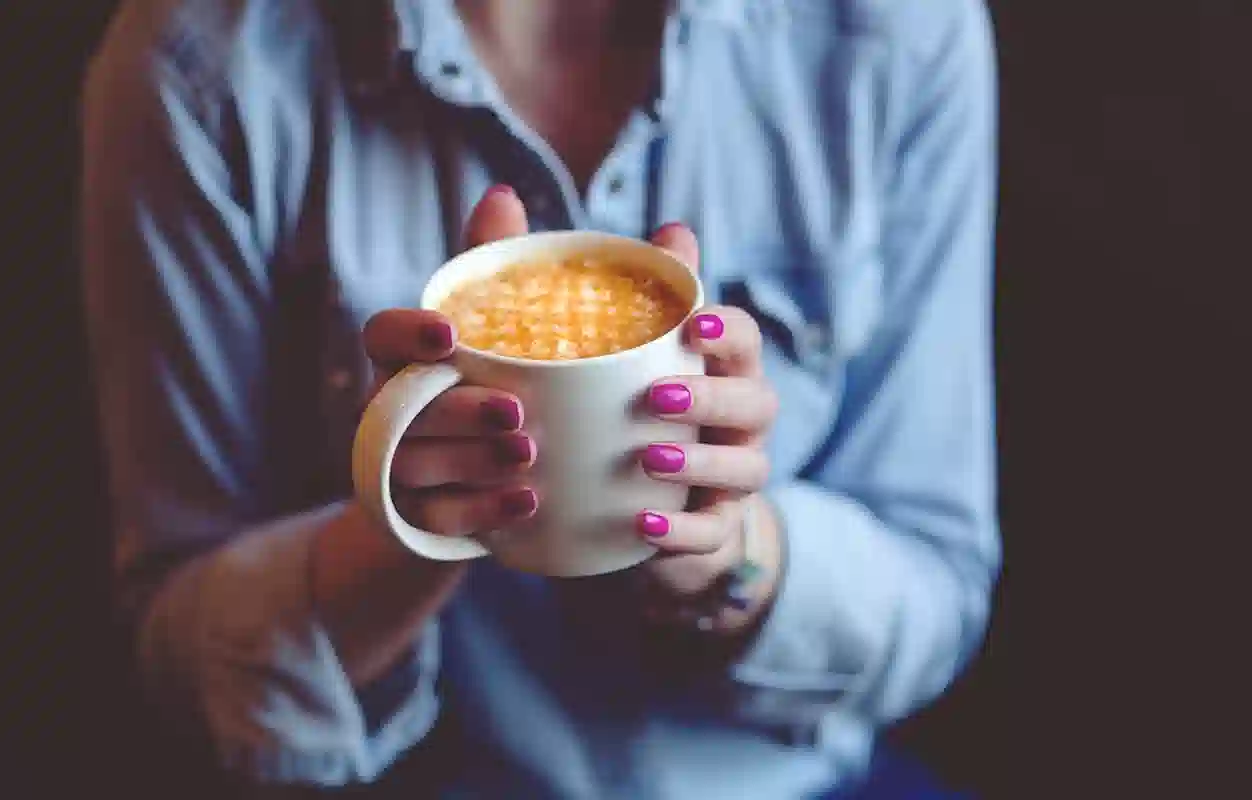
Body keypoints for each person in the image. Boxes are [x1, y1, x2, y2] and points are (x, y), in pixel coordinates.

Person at [80, 0, 999, 796]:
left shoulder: (895, 35)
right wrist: (407, 534)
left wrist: (728, 552)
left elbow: (939, 588)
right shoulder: (202, 66)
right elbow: (175, 653)